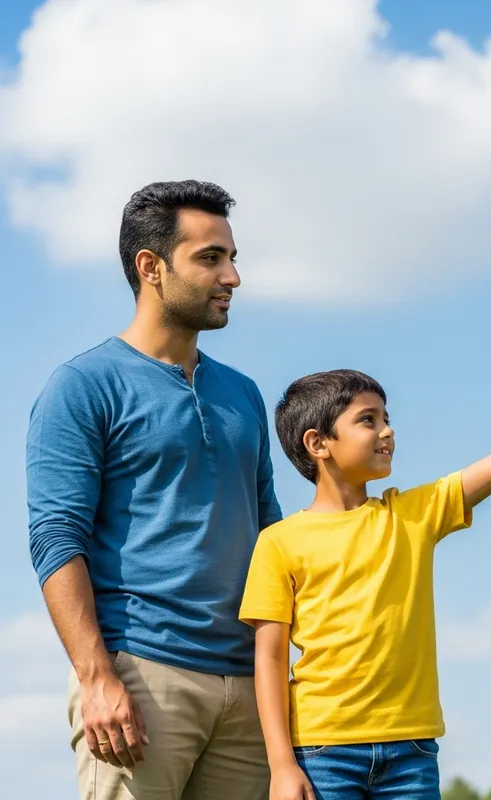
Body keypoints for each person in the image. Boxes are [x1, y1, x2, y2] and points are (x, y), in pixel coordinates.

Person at [239, 363, 491, 800]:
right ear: (317, 443)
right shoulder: (278, 542)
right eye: (368, 420)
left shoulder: (412, 514)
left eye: (387, 419)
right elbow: (268, 660)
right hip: (322, 752)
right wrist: (282, 766)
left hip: (411, 751)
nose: (387, 431)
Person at [27, 180, 282, 800]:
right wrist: (96, 676)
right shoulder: (83, 385)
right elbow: (57, 537)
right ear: (151, 267)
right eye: (210, 258)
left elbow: (273, 535)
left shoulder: (244, 394)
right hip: (140, 677)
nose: (232, 277)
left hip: (248, 688)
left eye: (233, 257)